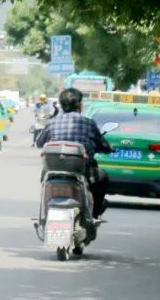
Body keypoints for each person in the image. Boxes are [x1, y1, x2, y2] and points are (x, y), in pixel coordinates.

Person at [36, 87, 113, 217]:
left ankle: (44, 214)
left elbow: (39, 143)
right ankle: (95, 212)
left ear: (61, 105)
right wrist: (108, 148)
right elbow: (102, 144)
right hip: (83, 170)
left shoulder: (51, 122)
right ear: (79, 104)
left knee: (43, 180)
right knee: (103, 177)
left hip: (53, 169)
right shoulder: (88, 123)